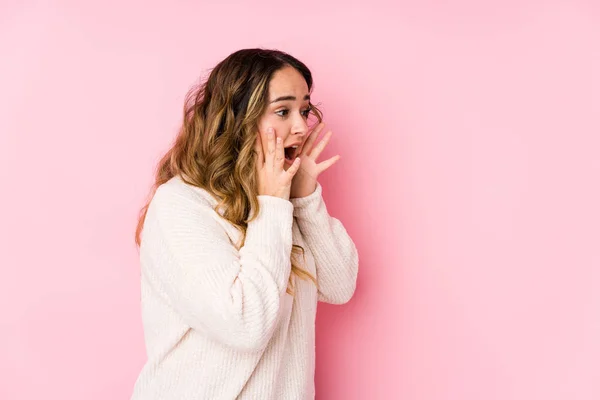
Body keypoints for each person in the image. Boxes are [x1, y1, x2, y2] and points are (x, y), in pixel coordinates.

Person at [130, 48, 359, 400]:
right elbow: (246, 325)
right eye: (283, 111)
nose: (300, 126)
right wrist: (272, 205)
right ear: (237, 119)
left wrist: (304, 199)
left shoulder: (280, 202)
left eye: (304, 110)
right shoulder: (182, 204)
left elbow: (340, 285)